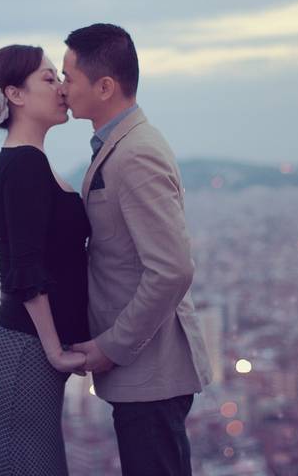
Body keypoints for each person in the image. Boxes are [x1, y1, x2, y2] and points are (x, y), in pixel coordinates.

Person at [61, 24, 213, 476]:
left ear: (105, 86)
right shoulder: (120, 146)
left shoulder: (135, 153)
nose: (64, 87)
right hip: (144, 372)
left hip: (151, 370)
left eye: (70, 76)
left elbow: (171, 270)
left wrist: (111, 347)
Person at [0, 44, 91, 476]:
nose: (61, 88)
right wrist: (55, 351)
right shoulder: (23, 166)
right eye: (48, 78)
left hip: (22, 351)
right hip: (25, 353)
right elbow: (24, 268)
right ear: (15, 95)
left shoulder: (31, 161)